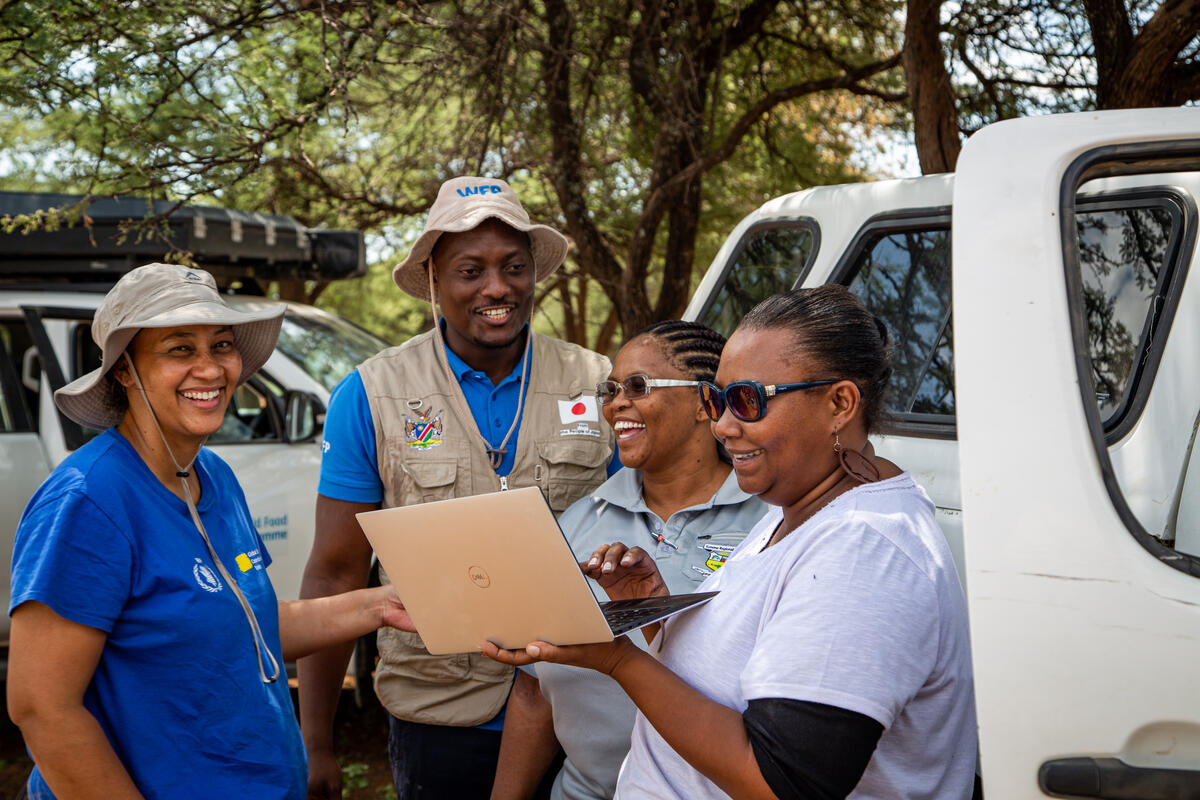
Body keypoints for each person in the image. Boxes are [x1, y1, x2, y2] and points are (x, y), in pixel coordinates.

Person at [484, 285, 978, 799]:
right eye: (719, 399)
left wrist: (617, 660)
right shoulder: (796, 511)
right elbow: (738, 668)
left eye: (748, 401)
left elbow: (781, 782)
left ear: (840, 403)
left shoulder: (865, 551)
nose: (722, 425)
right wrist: (655, 614)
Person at [6, 263, 412, 800]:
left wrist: (381, 606)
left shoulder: (211, 474)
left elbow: (243, 619)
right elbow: (42, 708)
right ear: (125, 370)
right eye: (179, 349)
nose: (210, 368)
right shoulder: (89, 499)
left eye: (221, 345)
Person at [299, 177, 616, 800]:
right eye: (471, 270)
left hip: (571, 701)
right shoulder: (371, 394)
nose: (497, 288)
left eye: (514, 267)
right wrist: (314, 740)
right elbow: (336, 572)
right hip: (438, 711)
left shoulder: (596, 381)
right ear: (433, 280)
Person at [491, 320, 767, 800]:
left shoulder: (770, 521)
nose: (617, 402)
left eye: (638, 386)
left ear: (707, 403)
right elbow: (534, 690)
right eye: (611, 389)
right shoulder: (579, 521)